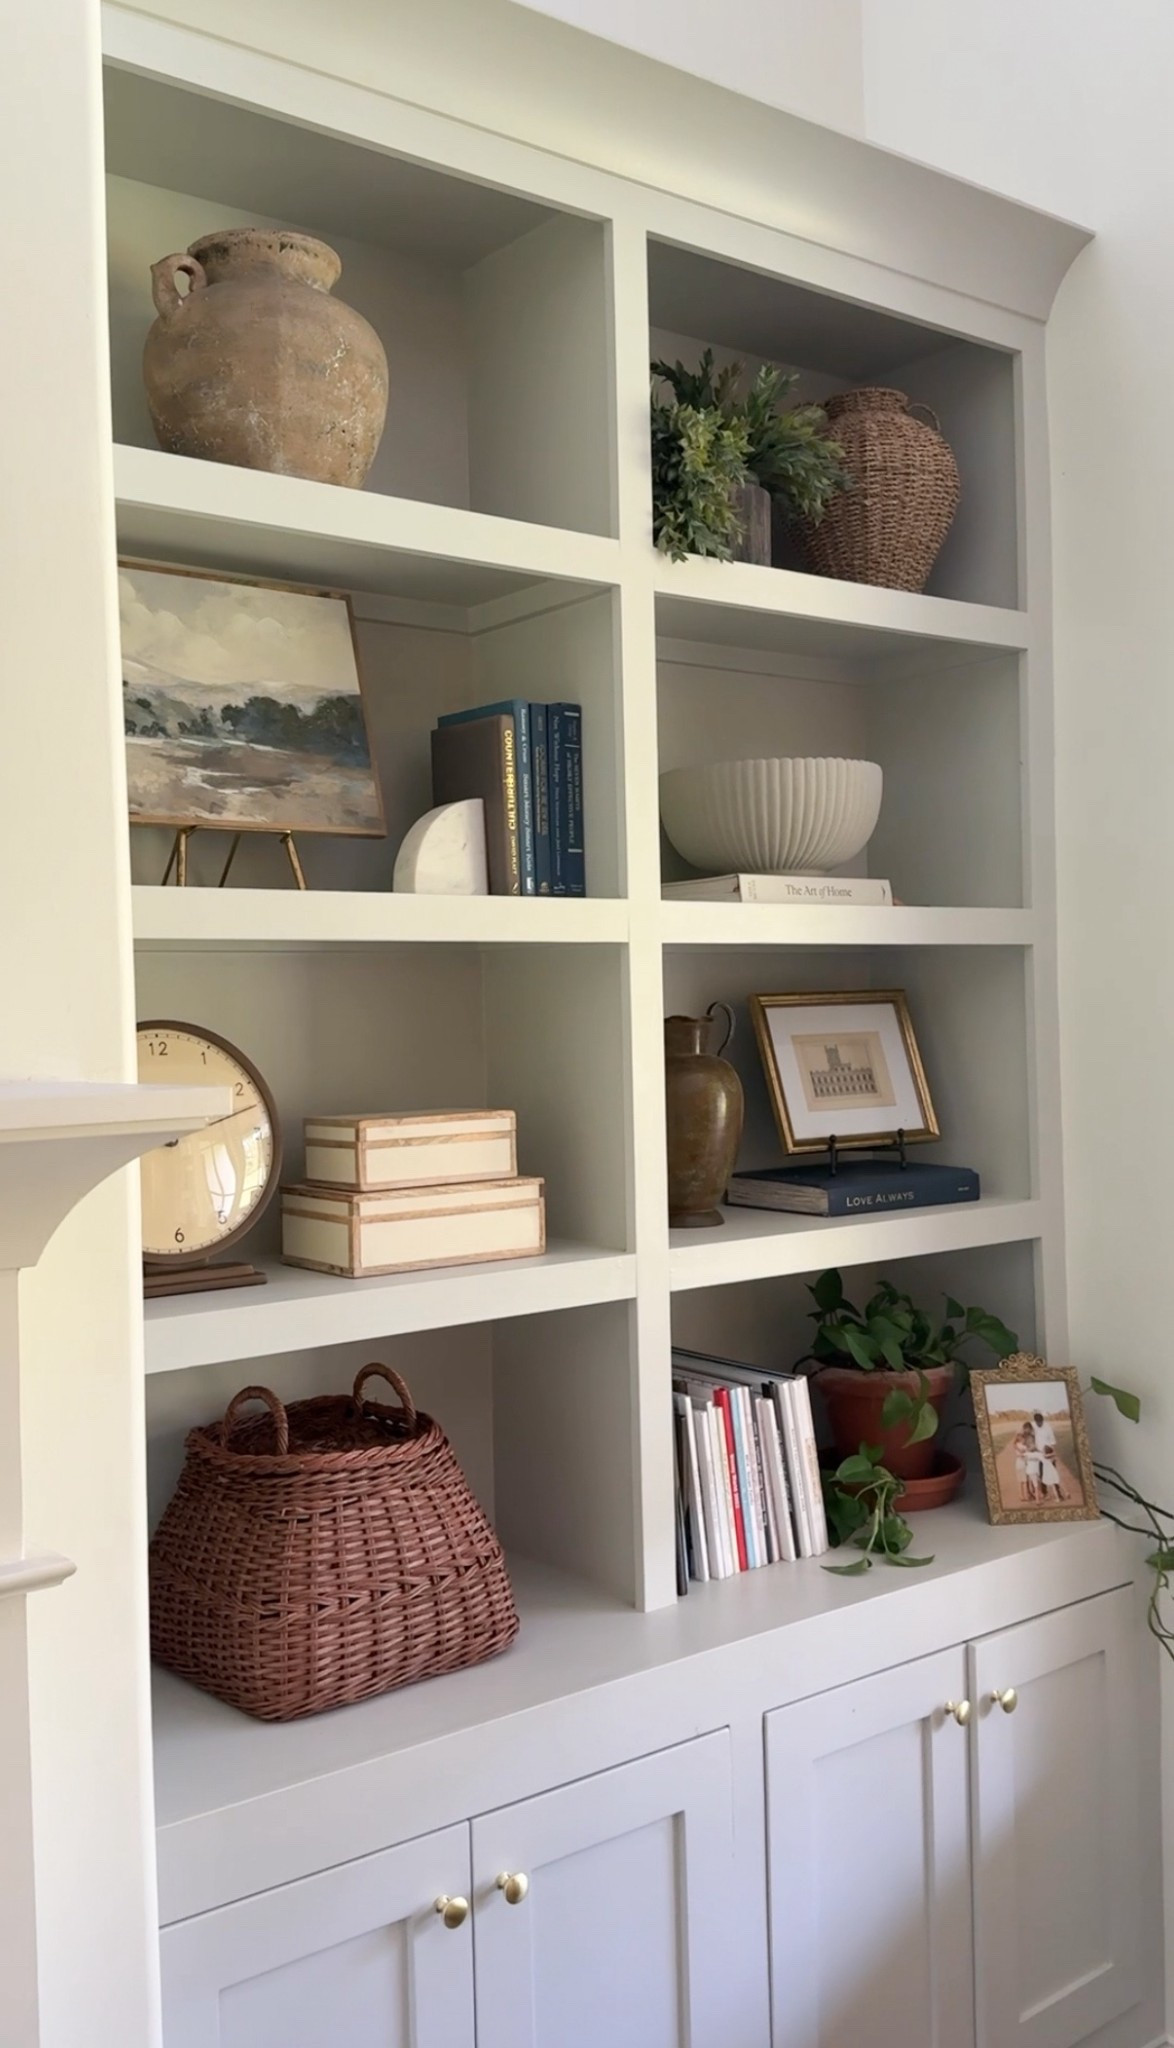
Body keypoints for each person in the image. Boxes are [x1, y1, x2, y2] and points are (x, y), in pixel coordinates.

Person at [1013, 1420, 1038, 1503]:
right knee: (1025, 1478)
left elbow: (1034, 1446)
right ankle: (1028, 1493)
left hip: (1029, 1458)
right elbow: (1016, 1441)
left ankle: (1033, 1493)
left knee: (1030, 1477)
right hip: (1024, 1459)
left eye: (1027, 1429)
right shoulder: (1022, 1436)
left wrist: (1029, 1450)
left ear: (1030, 1428)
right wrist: (1020, 1450)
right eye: (1025, 1428)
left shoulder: (1032, 1436)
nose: (1026, 1430)